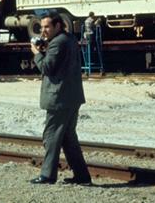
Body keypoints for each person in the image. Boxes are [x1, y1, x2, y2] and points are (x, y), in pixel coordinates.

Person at [29, 12, 92, 185]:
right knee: (68, 138)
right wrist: (45, 50)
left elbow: (47, 68)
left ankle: (48, 175)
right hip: (72, 97)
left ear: (58, 26)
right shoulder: (69, 39)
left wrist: (36, 53)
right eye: (42, 27)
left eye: (47, 27)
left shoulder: (57, 43)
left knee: (51, 136)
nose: (43, 31)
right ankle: (82, 176)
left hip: (59, 98)